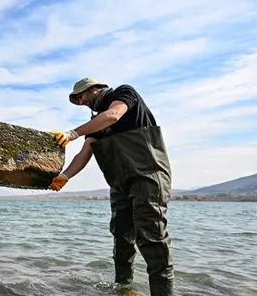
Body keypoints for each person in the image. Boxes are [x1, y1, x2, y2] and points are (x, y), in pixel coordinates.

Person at [48, 78, 174, 296]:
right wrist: (64, 177)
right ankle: (124, 288)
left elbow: (113, 115)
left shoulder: (124, 93)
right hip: (120, 182)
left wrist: (72, 133)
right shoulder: (96, 121)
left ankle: (164, 293)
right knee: (122, 237)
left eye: (81, 96)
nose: (80, 101)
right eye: (76, 99)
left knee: (152, 237)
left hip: (148, 175)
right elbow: (84, 153)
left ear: (95, 89)